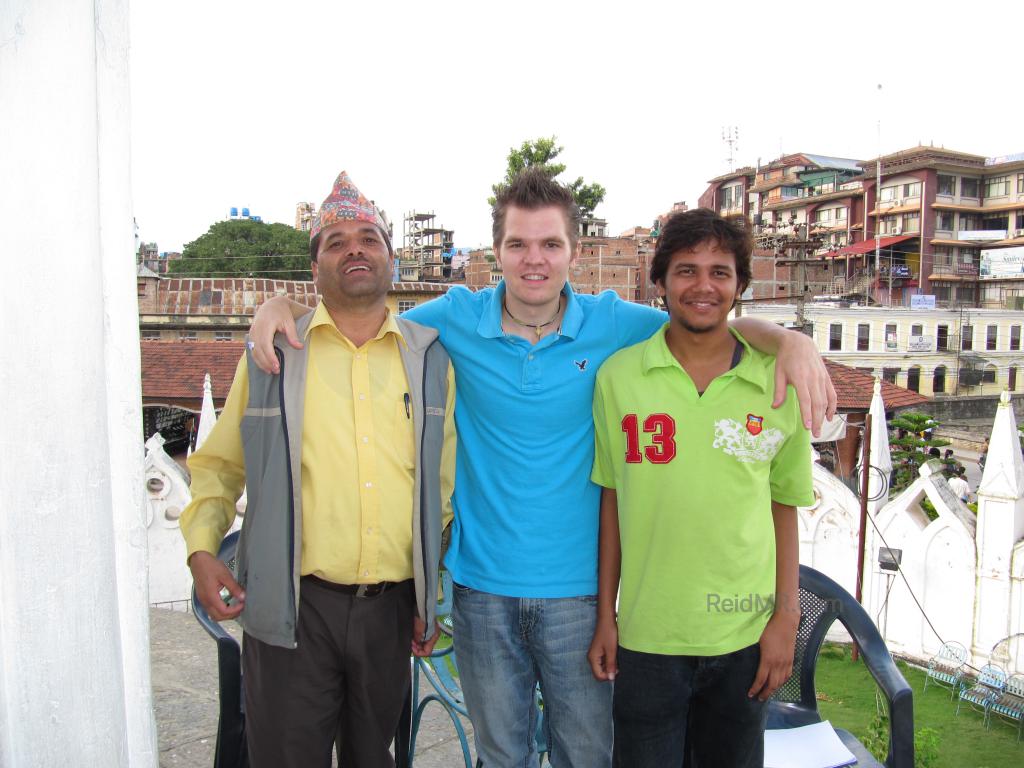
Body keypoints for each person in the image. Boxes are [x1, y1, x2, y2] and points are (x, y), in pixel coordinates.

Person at [247, 168, 836, 767]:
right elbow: (361, 313)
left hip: (580, 598)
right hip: (481, 592)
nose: (535, 260)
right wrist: (282, 304)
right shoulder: (454, 318)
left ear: (574, 254)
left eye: (551, 244)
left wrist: (791, 342)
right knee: (503, 757)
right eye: (518, 244)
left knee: (586, 756)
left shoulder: (614, 324)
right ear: (494, 253)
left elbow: (707, 320)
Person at [180, 171, 457, 768]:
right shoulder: (273, 354)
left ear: (392, 260)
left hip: (390, 608)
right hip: (293, 604)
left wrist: (428, 591)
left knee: (373, 757)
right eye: (336, 241)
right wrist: (203, 549)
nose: (355, 249)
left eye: (369, 238)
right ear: (315, 268)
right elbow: (221, 463)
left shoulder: (430, 358)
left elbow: (441, 485)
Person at [587, 209, 814, 767]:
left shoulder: (780, 384)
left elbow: (785, 508)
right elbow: (613, 501)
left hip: (744, 638)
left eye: (720, 271)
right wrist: (605, 617)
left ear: (740, 285)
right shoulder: (618, 378)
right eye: (686, 270)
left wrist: (786, 619)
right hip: (647, 639)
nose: (703, 286)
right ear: (658, 282)